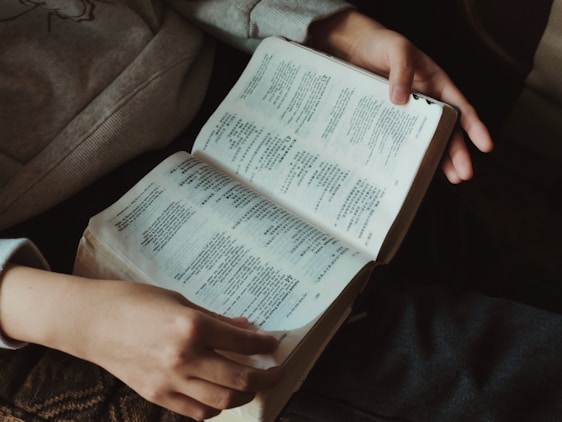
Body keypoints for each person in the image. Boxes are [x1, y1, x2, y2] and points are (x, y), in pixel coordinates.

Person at [0, 1, 496, 420]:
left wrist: (336, 30)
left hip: (237, 87)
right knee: (469, 367)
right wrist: (71, 318)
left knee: (451, 243)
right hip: (61, 234)